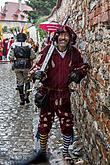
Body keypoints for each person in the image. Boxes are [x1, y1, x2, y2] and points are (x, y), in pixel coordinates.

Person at [28, 25, 89, 163]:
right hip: (47, 94)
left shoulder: (74, 53)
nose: (63, 38)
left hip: (64, 95)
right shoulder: (47, 51)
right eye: (61, 35)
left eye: (66, 35)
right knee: (44, 125)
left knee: (67, 124)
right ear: (56, 36)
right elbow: (35, 68)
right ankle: (42, 151)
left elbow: (83, 66)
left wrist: (78, 73)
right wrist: (36, 73)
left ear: (70, 38)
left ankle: (65, 151)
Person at [8, 32, 36, 105]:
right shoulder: (29, 45)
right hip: (26, 65)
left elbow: (10, 57)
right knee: (27, 81)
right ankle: (27, 96)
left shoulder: (13, 45)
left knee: (20, 82)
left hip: (17, 65)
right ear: (25, 38)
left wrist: (15, 59)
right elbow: (33, 56)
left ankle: (22, 99)